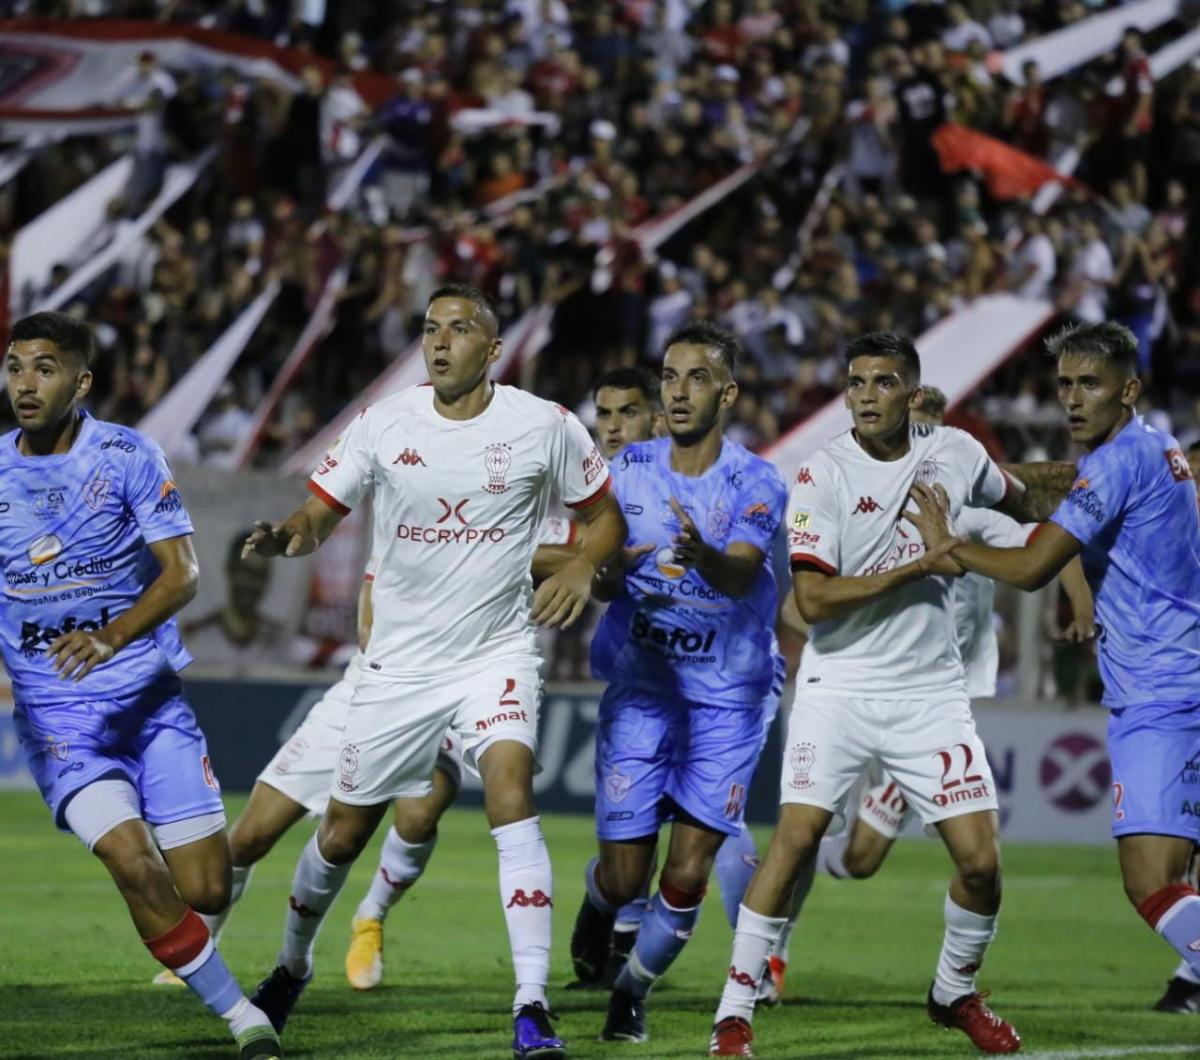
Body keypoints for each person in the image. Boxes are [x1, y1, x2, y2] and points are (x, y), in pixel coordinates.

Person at [242, 283, 626, 1060]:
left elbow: (605, 517)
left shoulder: (543, 426)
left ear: (493, 349)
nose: (440, 341)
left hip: (495, 653)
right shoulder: (385, 423)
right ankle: (289, 968)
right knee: (344, 832)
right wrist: (289, 537)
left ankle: (532, 1006)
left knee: (511, 789)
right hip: (399, 664)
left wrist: (585, 569)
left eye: (460, 329)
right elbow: (319, 512)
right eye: (430, 329)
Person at [708, 331, 1070, 1057]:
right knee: (796, 840)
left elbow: (1026, 498)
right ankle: (733, 1012)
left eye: (882, 383)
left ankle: (953, 993)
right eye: (856, 383)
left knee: (980, 863)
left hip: (931, 696)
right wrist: (923, 565)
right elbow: (811, 599)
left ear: (912, 392)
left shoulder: (957, 453)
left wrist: (1109, 481)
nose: (865, 397)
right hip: (838, 688)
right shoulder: (822, 475)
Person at [0, 311, 280, 1059]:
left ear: (80, 380)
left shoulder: (127, 456)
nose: (25, 383)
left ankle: (196, 929)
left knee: (207, 889)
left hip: (151, 707)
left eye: (45, 367)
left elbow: (183, 573)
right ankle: (244, 1019)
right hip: (62, 725)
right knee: (132, 863)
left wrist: (110, 636)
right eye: (16, 365)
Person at [904, 322, 1200, 1028]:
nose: (1071, 399)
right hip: (1184, 673)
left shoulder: (1117, 463)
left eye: (1088, 384)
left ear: (1127, 389)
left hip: (1163, 693)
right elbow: (1045, 498)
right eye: (1064, 384)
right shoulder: (1156, 445)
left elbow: (1034, 566)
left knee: (1152, 881)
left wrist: (953, 548)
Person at [781, 388, 1093, 949]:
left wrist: (1081, 603)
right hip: (851, 693)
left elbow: (1045, 544)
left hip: (933, 698)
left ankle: (955, 988)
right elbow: (797, 607)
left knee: (867, 859)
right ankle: (772, 954)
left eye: (925, 425)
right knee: (808, 834)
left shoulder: (971, 507)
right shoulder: (850, 494)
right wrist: (841, 643)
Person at [568, 321, 788, 1044]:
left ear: (726, 393)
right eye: (669, 376)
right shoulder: (625, 471)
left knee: (688, 871)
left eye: (696, 378)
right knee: (627, 877)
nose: (679, 390)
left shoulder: (757, 481)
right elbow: (598, 577)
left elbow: (745, 571)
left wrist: (702, 556)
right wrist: (603, 571)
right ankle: (601, 900)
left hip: (728, 699)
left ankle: (632, 991)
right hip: (643, 690)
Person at [181, 530, 292, 674]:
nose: (252, 583)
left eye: (260, 575)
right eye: (246, 571)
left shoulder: (277, 640)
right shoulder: (196, 636)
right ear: (230, 569)